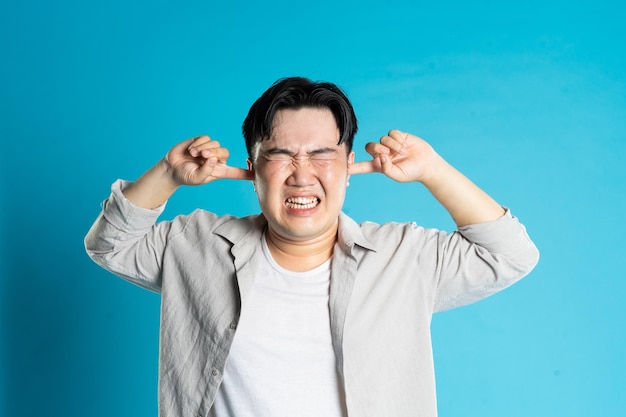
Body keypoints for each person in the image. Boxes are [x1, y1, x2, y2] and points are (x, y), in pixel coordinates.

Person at [85, 76, 539, 417]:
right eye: (281, 154)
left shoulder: (404, 257)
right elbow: (110, 245)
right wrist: (167, 173)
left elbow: (510, 255)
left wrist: (433, 170)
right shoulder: (197, 245)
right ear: (252, 168)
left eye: (322, 154)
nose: (302, 174)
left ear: (348, 165)